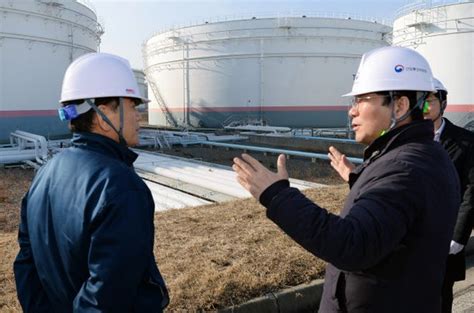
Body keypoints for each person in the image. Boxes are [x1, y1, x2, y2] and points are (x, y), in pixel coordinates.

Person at [232, 46, 460, 312]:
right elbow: (395, 218)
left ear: (400, 105)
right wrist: (357, 179)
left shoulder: (405, 167)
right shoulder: (417, 155)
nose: (352, 111)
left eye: (362, 99)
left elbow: (352, 244)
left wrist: (277, 196)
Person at [13, 53, 169, 312]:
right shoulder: (120, 187)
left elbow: (26, 264)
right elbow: (107, 297)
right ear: (102, 114)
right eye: (133, 106)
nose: (139, 117)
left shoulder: (46, 172)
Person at [425, 78, 474, 313]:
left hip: (445, 240)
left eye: (429, 100)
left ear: (443, 103)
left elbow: (471, 192)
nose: (423, 107)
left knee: (441, 299)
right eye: (418, 101)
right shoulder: (405, 140)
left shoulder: (466, 142)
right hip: (409, 240)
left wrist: (458, 237)